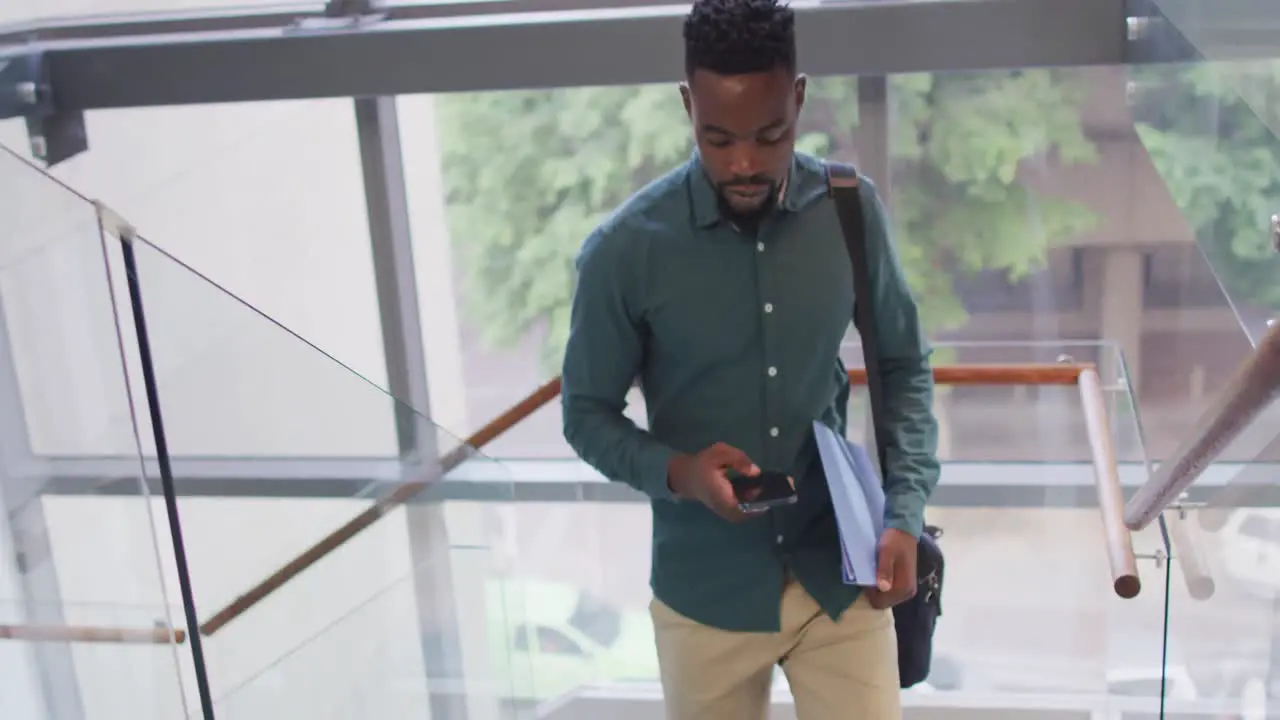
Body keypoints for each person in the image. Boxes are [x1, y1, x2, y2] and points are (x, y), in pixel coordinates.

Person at [560, 0, 940, 717]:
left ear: (798, 98)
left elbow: (903, 368)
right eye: (717, 138)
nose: (742, 163)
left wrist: (905, 513)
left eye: (770, 136)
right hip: (704, 596)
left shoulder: (851, 213)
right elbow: (584, 414)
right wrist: (679, 472)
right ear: (686, 106)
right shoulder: (625, 251)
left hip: (840, 573)